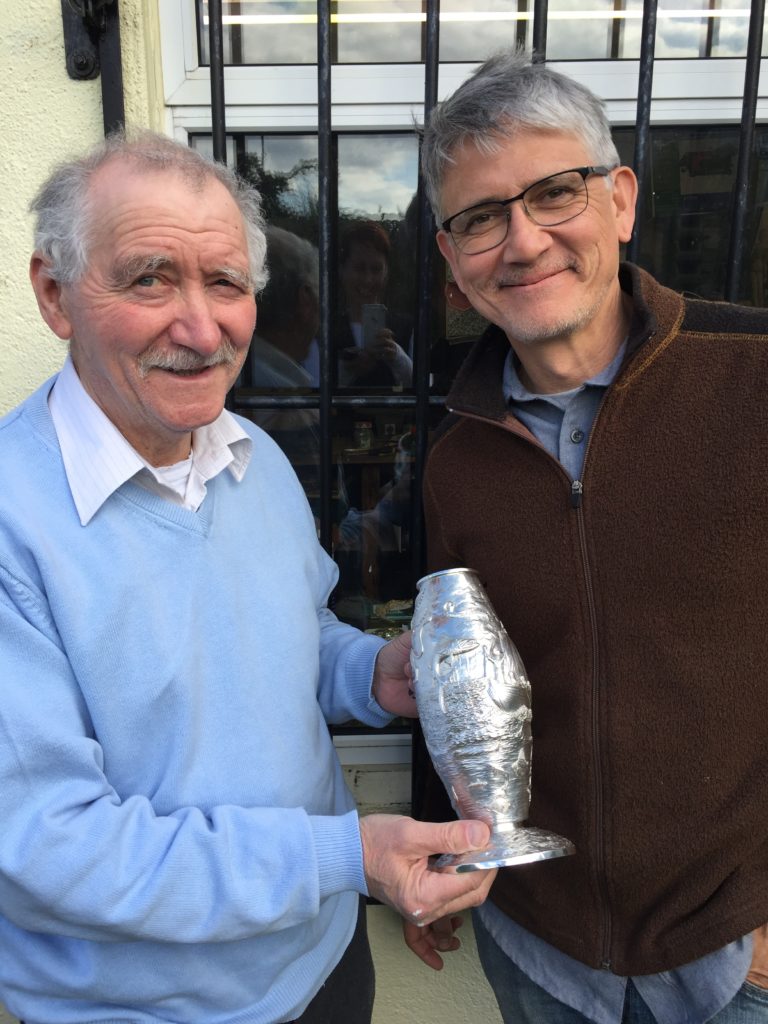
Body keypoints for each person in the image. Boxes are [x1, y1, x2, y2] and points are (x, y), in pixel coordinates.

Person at [0, 131, 496, 1024]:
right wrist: (343, 857)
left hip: (322, 963)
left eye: (225, 283)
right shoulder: (12, 522)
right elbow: (46, 850)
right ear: (54, 294)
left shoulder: (251, 455)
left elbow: (292, 637)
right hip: (141, 1011)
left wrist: (370, 673)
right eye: (149, 277)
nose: (200, 327)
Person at [407, 48, 768, 1024]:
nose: (521, 242)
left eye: (553, 193)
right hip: (542, 949)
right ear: (451, 257)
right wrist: (446, 842)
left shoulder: (752, 379)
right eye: (480, 218)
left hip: (739, 955)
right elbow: (451, 673)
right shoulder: (457, 456)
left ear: (620, 199)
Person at [335, 221, 413, 387]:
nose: (368, 279)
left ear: (386, 273)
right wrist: (349, 370)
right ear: (341, 270)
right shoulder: (325, 330)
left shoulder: (408, 328)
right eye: (359, 268)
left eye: (376, 269)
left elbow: (423, 387)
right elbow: (312, 386)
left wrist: (397, 356)